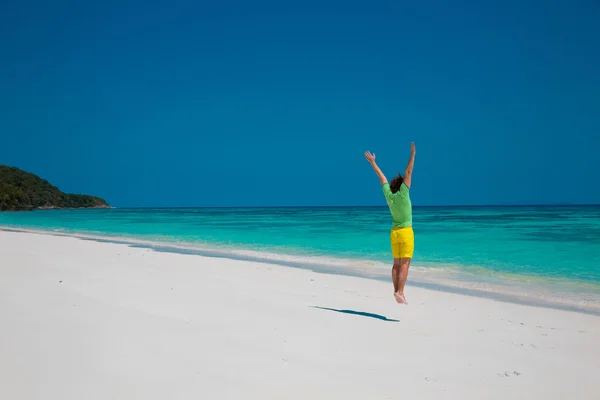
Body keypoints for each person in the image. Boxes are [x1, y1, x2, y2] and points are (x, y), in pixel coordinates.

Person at [365, 143, 416, 304]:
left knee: (396, 263)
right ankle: (400, 292)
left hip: (394, 232)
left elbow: (382, 178)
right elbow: (408, 171)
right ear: (402, 186)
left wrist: (373, 163)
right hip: (406, 232)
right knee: (405, 263)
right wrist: (412, 155)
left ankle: (396, 291)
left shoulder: (389, 196)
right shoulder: (403, 193)